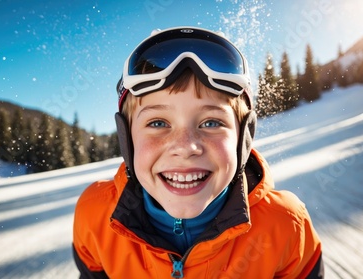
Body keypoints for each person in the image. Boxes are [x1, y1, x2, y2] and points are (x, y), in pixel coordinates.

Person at [73, 26, 323, 278]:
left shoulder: (287, 225)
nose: (185, 147)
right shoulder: (94, 215)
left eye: (211, 123)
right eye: (158, 123)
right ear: (127, 139)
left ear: (243, 138)